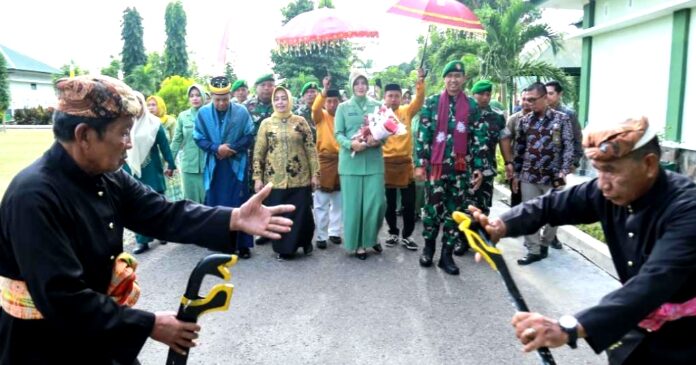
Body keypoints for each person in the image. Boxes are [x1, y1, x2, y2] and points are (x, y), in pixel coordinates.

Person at [0, 75, 294, 364]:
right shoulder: (34, 196)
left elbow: (164, 213)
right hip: (44, 345)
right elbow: (63, 297)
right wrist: (148, 324)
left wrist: (234, 217)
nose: (129, 143)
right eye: (123, 132)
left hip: (96, 330)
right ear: (84, 136)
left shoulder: (108, 177)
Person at [469, 117, 696, 365]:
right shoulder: (609, 190)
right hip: (635, 329)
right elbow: (551, 205)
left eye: (610, 170)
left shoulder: (687, 210)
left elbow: (654, 281)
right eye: (598, 170)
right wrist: (501, 225)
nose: (602, 183)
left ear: (649, 164)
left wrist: (569, 328)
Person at [414, 60, 482, 275]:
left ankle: (447, 255)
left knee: (456, 213)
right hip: (436, 168)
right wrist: (420, 164)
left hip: (461, 170)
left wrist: (479, 167)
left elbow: (478, 138)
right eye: (450, 75)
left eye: (458, 76)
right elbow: (423, 136)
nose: (453, 80)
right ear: (444, 79)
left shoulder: (471, 106)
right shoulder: (432, 103)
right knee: (432, 211)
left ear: (464, 79)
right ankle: (428, 249)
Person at [253, 86, 319, 260]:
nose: (280, 102)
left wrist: (315, 174)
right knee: (279, 215)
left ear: (289, 100)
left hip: (300, 177)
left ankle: (305, 242)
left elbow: (311, 149)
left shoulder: (300, 122)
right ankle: (285, 248)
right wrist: (257, 178)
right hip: (274, 179)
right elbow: (258, 152)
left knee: (302, 213)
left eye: (283, 98)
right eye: (277, 99)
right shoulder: (266, 124)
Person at [512, 82, 575, 265]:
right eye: (527, 99)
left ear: (544, 98)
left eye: (533, 99)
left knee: (553, 214)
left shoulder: (562, 120)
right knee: (529, 213)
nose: (529, 103)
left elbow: (569, 147)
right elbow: (520, 150)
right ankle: (533, 250)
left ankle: (545, 243)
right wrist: (516, 174)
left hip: (553, 176)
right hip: (529, 176)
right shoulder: (525, 121)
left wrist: (564, 170)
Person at [194, 76, 255, 259]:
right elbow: (198, 137)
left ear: (230, 96)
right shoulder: (203, 114)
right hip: (215, 167)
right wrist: (215, 148)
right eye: (217, 99)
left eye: (225, 99)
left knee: (239, 203)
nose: (221, 103)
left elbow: (250, 134)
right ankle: (220, 242)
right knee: (216, 205)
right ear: (211, 97)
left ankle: (243, 245)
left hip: (236, 166)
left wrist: (232, 149)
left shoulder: (241, 112)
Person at [334, 71, 385, 260]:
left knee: (378, 203)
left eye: (364, 83)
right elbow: (338, 134)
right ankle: (358, 244)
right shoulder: (343, 108)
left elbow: (387, 131)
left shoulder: (378, 106)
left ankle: (371, 237)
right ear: (352, 86)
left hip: (373, 162)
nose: (361, 86)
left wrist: (378, 141)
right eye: (357, 83)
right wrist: (351, 144)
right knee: (354, 206)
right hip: (351, 163)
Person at [124, 92, 177, 254]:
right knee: (136, 206)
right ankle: (142, 240)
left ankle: (160, 231)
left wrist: (171, 164)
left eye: (139, 102)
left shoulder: (154, 123)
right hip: (131, 170)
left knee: (155, 204)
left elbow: (164, 145)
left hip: (152, 170)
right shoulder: (125, 124)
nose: (136, 106)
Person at [382, 68, 426, 251]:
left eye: (396, 96)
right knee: (389, 204)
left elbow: (419, 100)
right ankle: (392, 232)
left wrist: (420, 82)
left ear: (400, 98)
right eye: (390, 96)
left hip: (406, 164)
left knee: (409, 204)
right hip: (386, 164)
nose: (393, 99)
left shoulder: (407, 111)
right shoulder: (379, 114)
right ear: (385, 97)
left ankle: (407, 235)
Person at [311, 76, 343, 249]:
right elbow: (315, 106)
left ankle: (334, 232)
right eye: (329, 101)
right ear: (325, 102)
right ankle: (321, 235)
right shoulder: (320, 115)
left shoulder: (343, 115)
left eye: (335, 101)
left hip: (342, 161)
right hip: (324, 161)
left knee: (339, 201)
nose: (332, 104)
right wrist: (323, 90)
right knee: (321, 201)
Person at [170, 84, 207, 203]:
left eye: (198, 95)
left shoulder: (210, 114)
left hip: (208, 166)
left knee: (208, 201)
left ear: (203, 97)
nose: (195, 98)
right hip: (189, 166)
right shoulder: (183, 116)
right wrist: (170, 161)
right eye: (191, 96)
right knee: (191, 202)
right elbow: (176, 140)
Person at [147, 95, 183, 202]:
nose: (150, 108)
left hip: (169, 158)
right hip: (154, 161)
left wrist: (169, 160)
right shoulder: (146, 123)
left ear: (160, 106)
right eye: (148, 105)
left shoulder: (170, 121)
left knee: (173, 188)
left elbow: (176, 141)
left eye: (154, 105)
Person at [505, 90, 531, 207]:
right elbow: (506, 142)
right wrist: (509, 162)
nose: (526, 102)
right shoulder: (514, 119)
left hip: (535, 169)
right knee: (517, 201)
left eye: (529, 100)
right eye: (523, 99)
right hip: (517, 167)